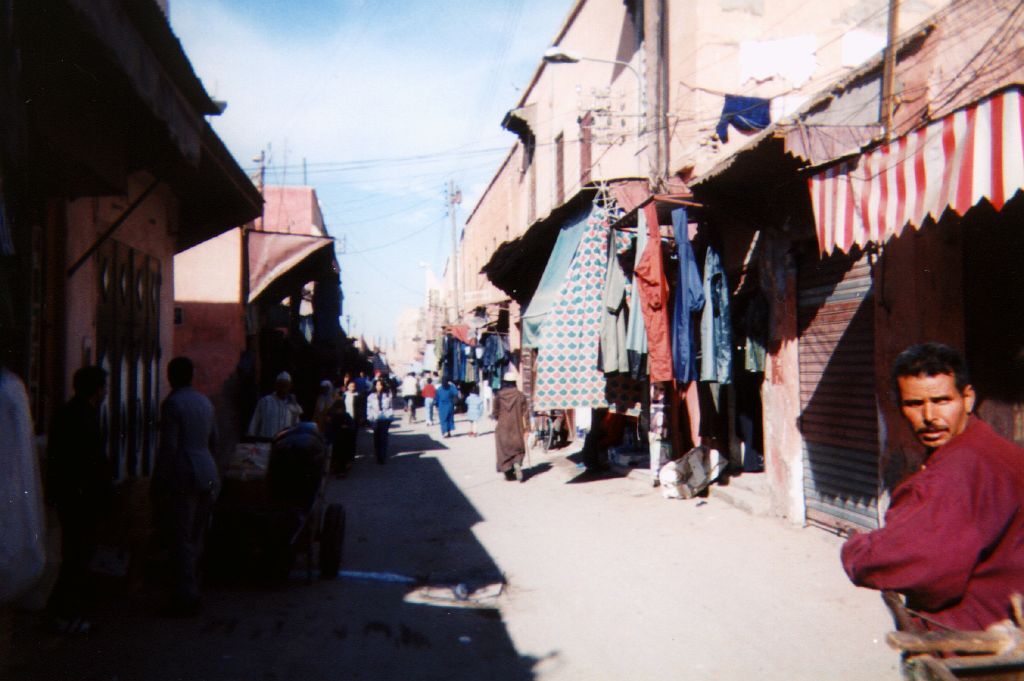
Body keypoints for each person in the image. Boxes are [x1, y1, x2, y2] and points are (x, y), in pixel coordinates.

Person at [840, 343, 1024, 632]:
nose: (929, 416)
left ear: (967, 398)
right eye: (914, 404)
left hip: (974, 643)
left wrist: (856, 551)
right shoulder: (994, 449)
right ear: (900, 406)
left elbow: (922, 565)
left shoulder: (958, 470)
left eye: (941, 401)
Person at [45, 365, 111, 634]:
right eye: (104, 387)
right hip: (82, 497)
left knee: (74, 554)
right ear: (97, 390)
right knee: (78, 555)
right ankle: (65, 612)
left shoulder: (66, 413)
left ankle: (62, 610)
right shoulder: (86, 417)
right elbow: (94, 462)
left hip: (68, 494)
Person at [152, 357, 219, 617]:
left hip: (184, 472)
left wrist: (160, 481)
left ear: (171, 377)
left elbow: (169, 447)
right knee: (197, 534)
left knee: (181, 536)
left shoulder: (172, 404)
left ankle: (186, 594)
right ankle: (193, 587)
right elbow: (215, 440)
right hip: (207, 470)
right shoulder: (205, 402)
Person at [493, 371, 529, 481]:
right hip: (517, 428)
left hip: (503, 427)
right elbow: (526, 413)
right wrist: (527, 428)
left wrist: (497, 417)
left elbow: (495, 412)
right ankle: (517, 463)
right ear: (514, 382)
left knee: (503, 450)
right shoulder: (520, 395)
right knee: (518, 448)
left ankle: (508, 471)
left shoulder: (499, 395)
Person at [247, 371, 302, 439]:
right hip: (265, 443)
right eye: (281, 385)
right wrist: (250, 439)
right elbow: (254, 423)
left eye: (286, 386)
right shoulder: (265, 401)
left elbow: (296, 427)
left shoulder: (293, 406)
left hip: (284, 444)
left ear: (289, 387)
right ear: (276, 385)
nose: (283, 388)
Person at [324, 398, 357, 477]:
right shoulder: (344, 415)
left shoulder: (333, 415)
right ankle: (340, 470)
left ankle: (338, 470)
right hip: (342, 438)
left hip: (338, 438)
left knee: (337, 455)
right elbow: (352, 427)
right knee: (341, 455)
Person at [366, 379, 394, 464]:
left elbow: (391, 407)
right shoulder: (371, 396)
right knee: (377, 438)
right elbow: (369, 408)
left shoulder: (388, 395)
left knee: (384, 438)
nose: (379, 387)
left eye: (380, 385)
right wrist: (370, 418)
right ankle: (377, 455)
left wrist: (390, 415)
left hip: (385, 419)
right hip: (375, 419)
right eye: (377, 385)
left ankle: (382, 456)